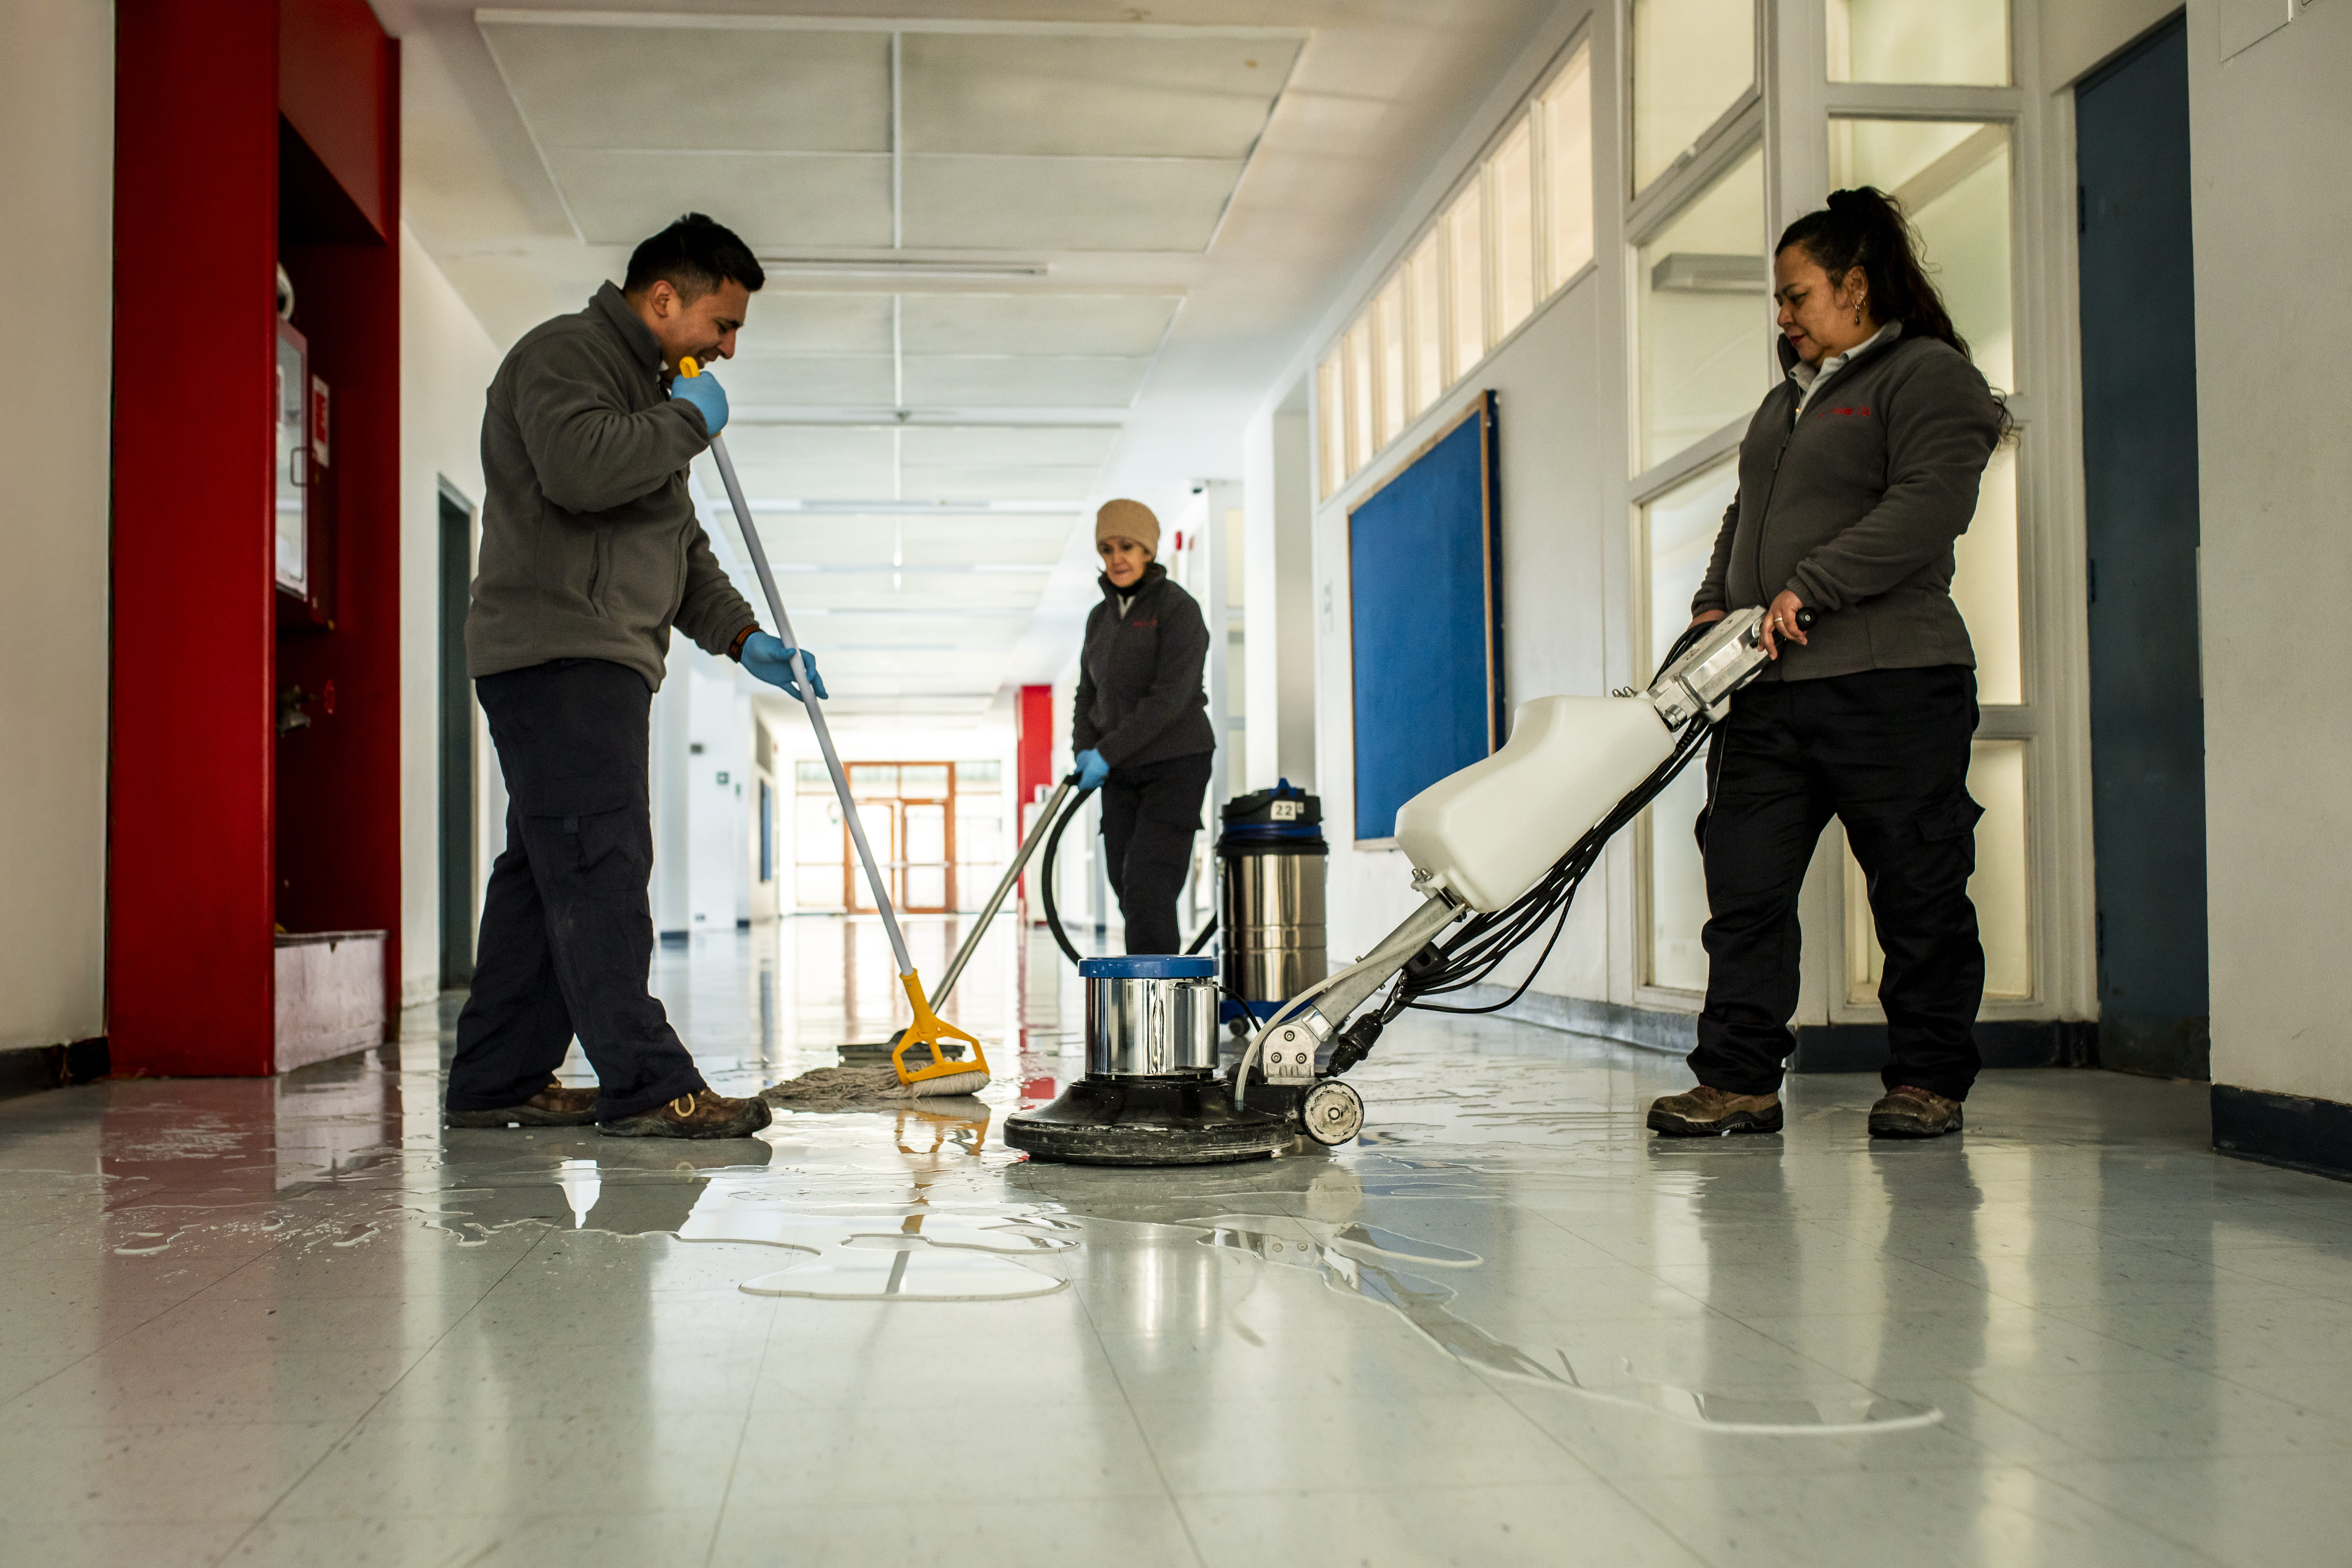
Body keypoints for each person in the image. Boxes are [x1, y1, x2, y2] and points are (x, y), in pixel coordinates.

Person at [445, 213, 828, 1139]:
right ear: (663, 298)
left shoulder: (649, 396)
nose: (728, 349)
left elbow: (676, 547)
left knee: (547, 871)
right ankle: (649, 1085)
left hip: (593, 657)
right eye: (722, 324)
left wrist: (744, 637)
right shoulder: (565, 357)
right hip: (562, 653)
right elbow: (580, 472)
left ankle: (497, 1078)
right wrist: (687, 421)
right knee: (602, 863)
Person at [1647, 187, 2006, 1142]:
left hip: (1892, 682)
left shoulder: (1928, 377)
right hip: (1767, 690)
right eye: (1779, 298)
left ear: (1855, 285)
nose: (1783, 315)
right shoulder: (1786, 401)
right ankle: (1738, 1081)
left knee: (1916, 888)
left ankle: (1927, 1079)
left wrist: (1813, 585)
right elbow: (1744, 514)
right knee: (1744, 888)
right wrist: (1713, 603)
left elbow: (1928, 506)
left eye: (1796, 294)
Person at [1071, 499, 1218, 955]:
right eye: (1107, 548)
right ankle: (1153, 977)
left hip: (1175, 763)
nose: (1116, 558)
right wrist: (1084, 749)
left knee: (1148, 883)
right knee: (1124, 881)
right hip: (1121, 771)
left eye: (1127, 547)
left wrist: (1107, 752)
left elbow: (1170, 699)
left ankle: (1156, 992)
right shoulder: (1100, 619)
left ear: (1148, 550)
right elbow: (1087, 695)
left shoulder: (1177, 609)